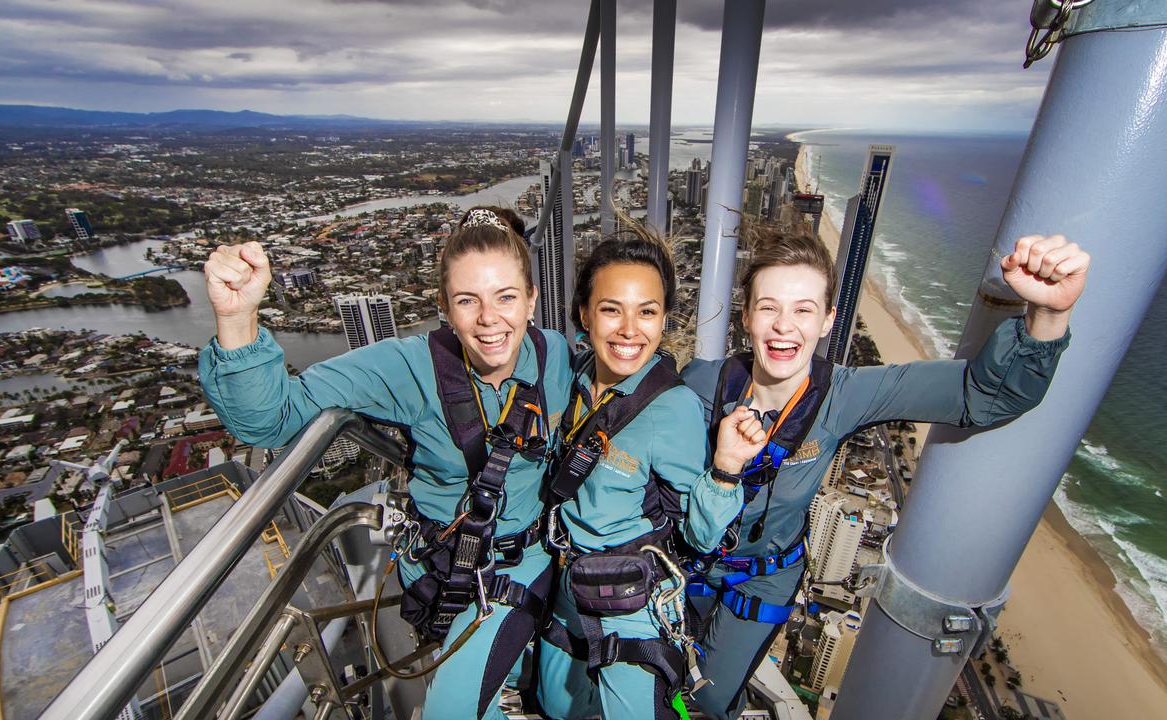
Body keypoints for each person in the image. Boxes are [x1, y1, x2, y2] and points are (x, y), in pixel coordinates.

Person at [679, 226, 1090, 719]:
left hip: (764, 579)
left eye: (804, 309)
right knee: (658, 667)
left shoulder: (846, 394)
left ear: (829, 320)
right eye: (768, 307)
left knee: (708, 699)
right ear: (746, 317)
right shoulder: (702, 384)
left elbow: (980, 395)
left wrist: (1049, 312)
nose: (784, 326)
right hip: (689, 558)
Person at [198, 207, 572, 720]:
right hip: (437, 569)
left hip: (520, 564)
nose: (489, 319)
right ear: (444, 306)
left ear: (532, 300)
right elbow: (274, 419)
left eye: (506, 297)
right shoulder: (411, 368)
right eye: (468, 301)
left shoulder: (553, 355)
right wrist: (237, 319)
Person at [535, 224, 763, 720]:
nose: (629, 330)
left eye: (647, 312)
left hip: (631, 601)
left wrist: (725, 469)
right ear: (584, 314)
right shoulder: (571, 379)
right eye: (612, 309)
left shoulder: (671, 407)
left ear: (662, 321)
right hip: (567, 588)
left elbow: (700, 538)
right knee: (556, 707)